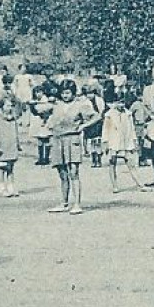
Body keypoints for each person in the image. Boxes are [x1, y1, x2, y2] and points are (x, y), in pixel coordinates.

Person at [45, 80, 99, 215]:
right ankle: (64, 203)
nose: (65, 95)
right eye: (63, 93)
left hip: (72, 139)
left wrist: (83, 126)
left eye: (68, 93)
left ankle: (77, 204)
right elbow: (41, 112)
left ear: (73, 93)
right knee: (62, 173)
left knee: (73, 172)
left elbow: (96, 116)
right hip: (58, 140)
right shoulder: (56, 105)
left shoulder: (80, 105)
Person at [102, 96, 149, 193]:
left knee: (131, 163)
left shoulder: (128, 114)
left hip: (126, 141)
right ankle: (115, 186)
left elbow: (132, 128)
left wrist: (134, 140)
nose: (121, 105)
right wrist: (105, 142)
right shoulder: (109, 115)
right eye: (118, 103)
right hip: (113, 141)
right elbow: (105, 130)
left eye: (122, 103)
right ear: (114, 103)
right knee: (112, 163)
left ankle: (140, 184)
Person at [0, 98, 23, 198]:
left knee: (11, 168)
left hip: (11, 146)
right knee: (2, 168)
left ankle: (11, 187)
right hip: (2, 148)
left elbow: (16, 132)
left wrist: (18, 144)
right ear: (2, 107)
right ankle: (2, 187)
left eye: (11, 106)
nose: (9, 108)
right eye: (7, 106)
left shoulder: (13, 119)